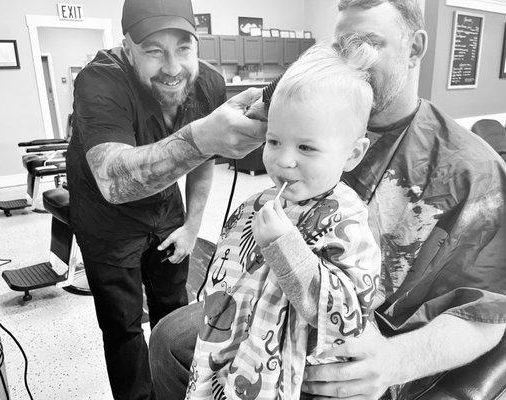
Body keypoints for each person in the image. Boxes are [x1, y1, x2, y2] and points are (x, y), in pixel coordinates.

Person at [149, 1, 506, 399]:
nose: (353, 61)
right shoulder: (298, 121)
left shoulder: (473, 172)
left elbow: (488, 312)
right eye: (342, 46)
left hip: (369, 339)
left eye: (369, 45)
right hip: (276, 311)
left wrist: (394, 361)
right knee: (168, 340)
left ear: (415, 48)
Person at [65, 0, 266, 398]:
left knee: (172, 313)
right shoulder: (99, 80)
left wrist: (192, 226)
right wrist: (201, 137)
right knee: (122, 325)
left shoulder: (206, 81)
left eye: (183, 48)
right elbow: (112, 179)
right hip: (104, 218)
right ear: (128, 47)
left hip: (165, 209)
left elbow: (202, 161)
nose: (173, 67)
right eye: (155, 50)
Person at [186, 44, 381, 400]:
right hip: (232, 357)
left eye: (306, 148)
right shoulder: (254, 204)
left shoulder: (348, 219)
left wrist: (283, 247)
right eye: (274, 141)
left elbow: (347, 315)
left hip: (295, 380)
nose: (283, 160)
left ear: (353, 154)